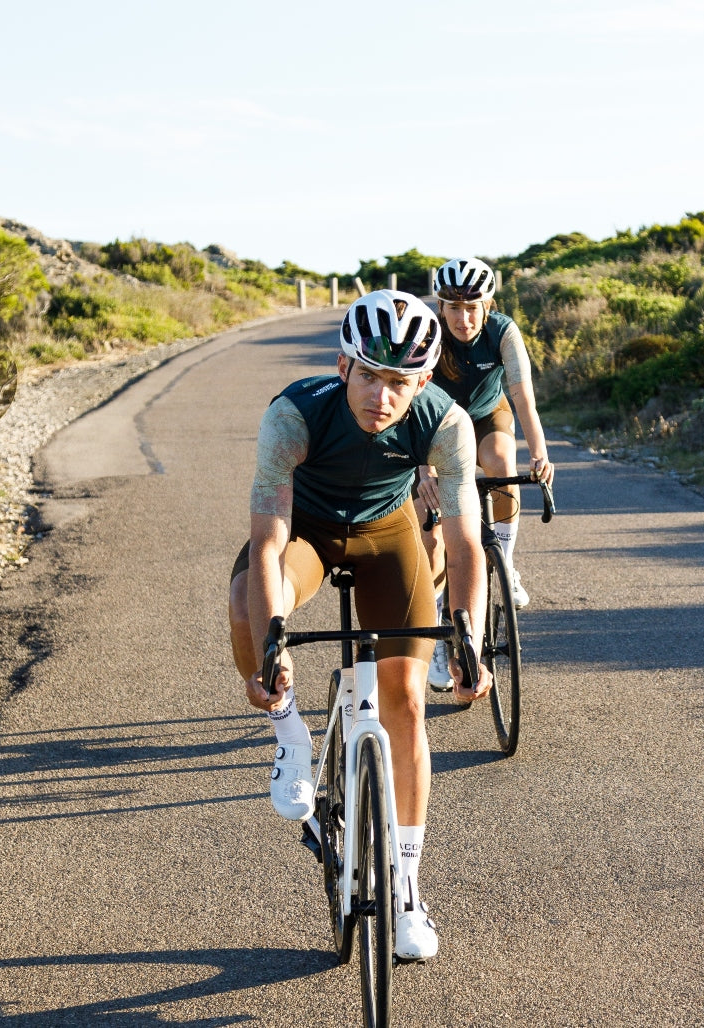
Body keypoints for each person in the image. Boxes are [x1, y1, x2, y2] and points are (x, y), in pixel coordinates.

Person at [228, 289, 491, 962]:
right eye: (369, 375)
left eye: (400, 381)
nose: (382, 395)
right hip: (308, 534)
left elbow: (464, 547)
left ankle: (406, 888)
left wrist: (470, 637)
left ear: (423, 382)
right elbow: (266, 545)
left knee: (405, 702)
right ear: (344, 366)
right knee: (247, 602)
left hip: (386, 535)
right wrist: (272, 644)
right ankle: (288, 730)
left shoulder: (445, 424)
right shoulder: (294, 415)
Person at [414, 257, 554, 689]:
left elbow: (522, 397)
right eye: (453, 308)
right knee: (431, 525)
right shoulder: (428, 334)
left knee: (499, 460)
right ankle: (440, 629)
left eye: (473, 307)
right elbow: (414, 404)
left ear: (487, 303)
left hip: (486, 412)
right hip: (435, 422)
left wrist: (541, 454)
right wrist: (424, 472)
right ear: (441, 307)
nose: (463, 317)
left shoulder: (503, 331)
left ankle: (505, 562)